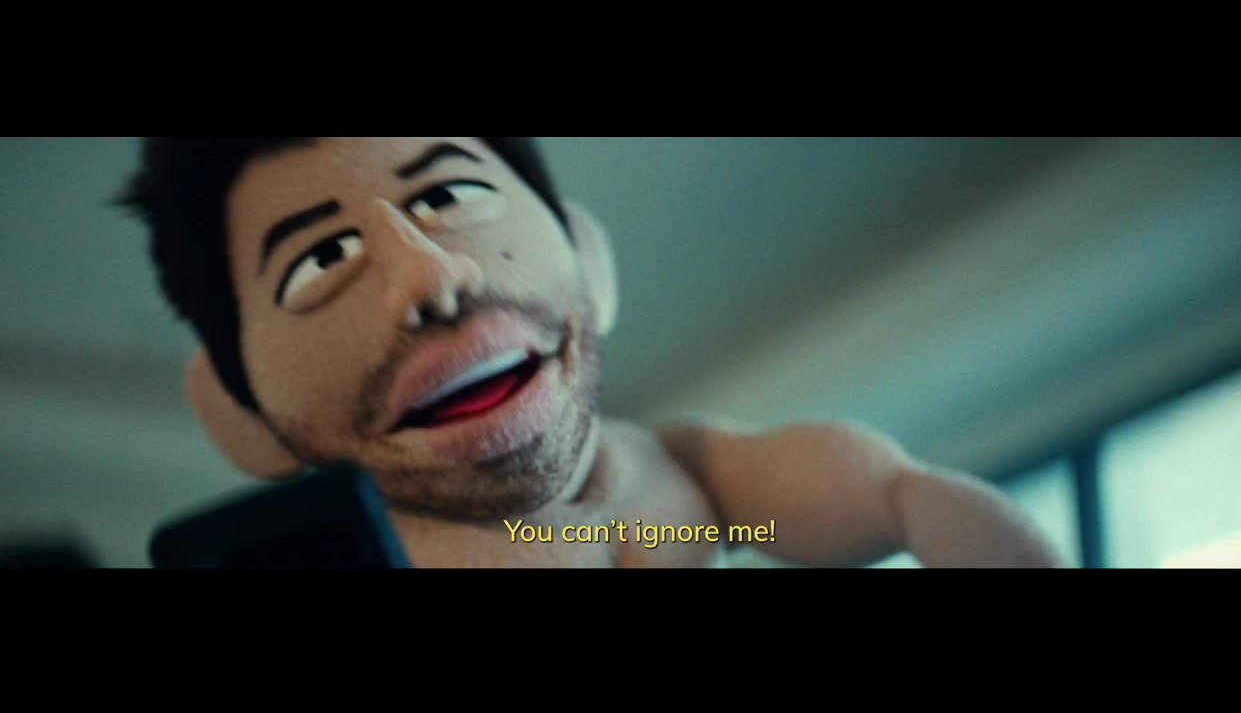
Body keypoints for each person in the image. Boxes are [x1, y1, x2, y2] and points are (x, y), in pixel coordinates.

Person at [121, 137, 1063, 569]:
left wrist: (921, 505)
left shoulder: (676, 478)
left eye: (448, 197)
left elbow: (867, 490)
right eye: (322, 262)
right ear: (241, 415)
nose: (432, 280)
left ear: (587, 258)